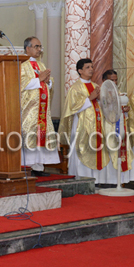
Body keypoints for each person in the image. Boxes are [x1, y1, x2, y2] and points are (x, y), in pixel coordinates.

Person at [58, 58, 110, 184]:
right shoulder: (75, 88)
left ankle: (98, 180)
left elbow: (103, 105)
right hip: (80, 125)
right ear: (80, 71)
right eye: (88, 67)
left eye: (92, 67)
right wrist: (89, 99)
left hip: (97, 124)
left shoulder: (95, 86)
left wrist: (100, 99)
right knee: (82, 150)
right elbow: (72, 108)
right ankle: (81, 180)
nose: (91, 69)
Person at [20, 36, 59, 176]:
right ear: (27, 48)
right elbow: (21, 84)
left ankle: (38, 167)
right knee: (30, 134)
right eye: (36, 46)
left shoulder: (41, 65)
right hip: (29, 109)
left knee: (41, 135)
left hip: (42, 109)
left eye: (40, 47)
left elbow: (48, 83)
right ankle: (26, 166)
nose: (39, 50)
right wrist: (39, 79)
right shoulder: (21, 65)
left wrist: (48, 82)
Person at [100, 70, 132, 186]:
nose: (114, 82)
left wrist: (126, 111)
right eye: (111, 80)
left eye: (115, 80)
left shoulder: (119, 92)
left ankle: (120, 180)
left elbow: (123, 110)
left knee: (120, 151)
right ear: (104, 81)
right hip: (108, 126)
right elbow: (102, 109)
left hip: (120, 126)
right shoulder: (101, 93)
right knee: (110, 151)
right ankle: (108, 180)